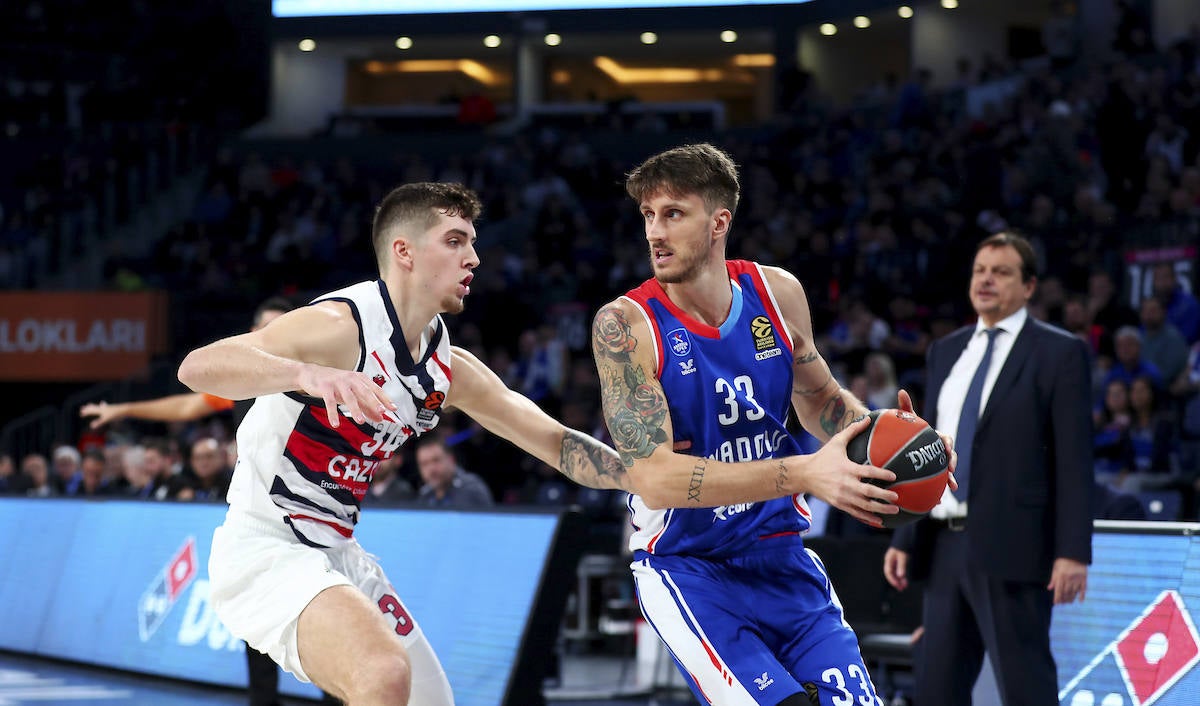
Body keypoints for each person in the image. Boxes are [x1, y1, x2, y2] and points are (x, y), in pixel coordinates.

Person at [176, 181, 629, 706]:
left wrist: (647, 476)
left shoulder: (446, 367)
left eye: (473, 243)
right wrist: (309, 374)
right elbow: (197, 367)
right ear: (404, 252)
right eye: (456, 241)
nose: (475, 258)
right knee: (384, 672)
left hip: (338, 551)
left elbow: (553, 442)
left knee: (430, 699)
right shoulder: (339, 326)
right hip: (265, 546)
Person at [590, 143, 955, 705]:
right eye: (647, 216)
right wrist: (804, 474)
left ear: (719, 222)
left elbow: (819, 399)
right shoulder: (625, 325)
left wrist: (902, 444)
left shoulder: (777, 293)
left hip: (782, 557)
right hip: (690, 568)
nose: (654, 233)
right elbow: (654, 479)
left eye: (673, 214)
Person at [883, 232, 1092, 706]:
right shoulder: (946, 351)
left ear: (1029, 287)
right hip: (943, 546)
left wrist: (1073, 552)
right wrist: (904, 535)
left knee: (1026, 688)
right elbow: (924, 455)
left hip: (1015, 544)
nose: (987, 280)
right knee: (937, 690)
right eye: (980, 270)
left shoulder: (1060, 353)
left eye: (1001, 272)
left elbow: (1075, 461)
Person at [80, 296, 303, 706]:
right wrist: (124, 408)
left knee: (323, 611)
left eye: (282, 326)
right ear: (252, 335)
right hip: (257, 513)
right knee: (255, 616)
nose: (273, 336)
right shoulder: (241, 383)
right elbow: (187, 403)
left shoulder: (313, 378)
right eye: (265, 328)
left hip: (310, 510)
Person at [414, 436, 492, 508]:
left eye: (436, 460)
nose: (431, 469)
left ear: (451, 460)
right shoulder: (424, 495)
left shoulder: (471, 488)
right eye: (424, 464)